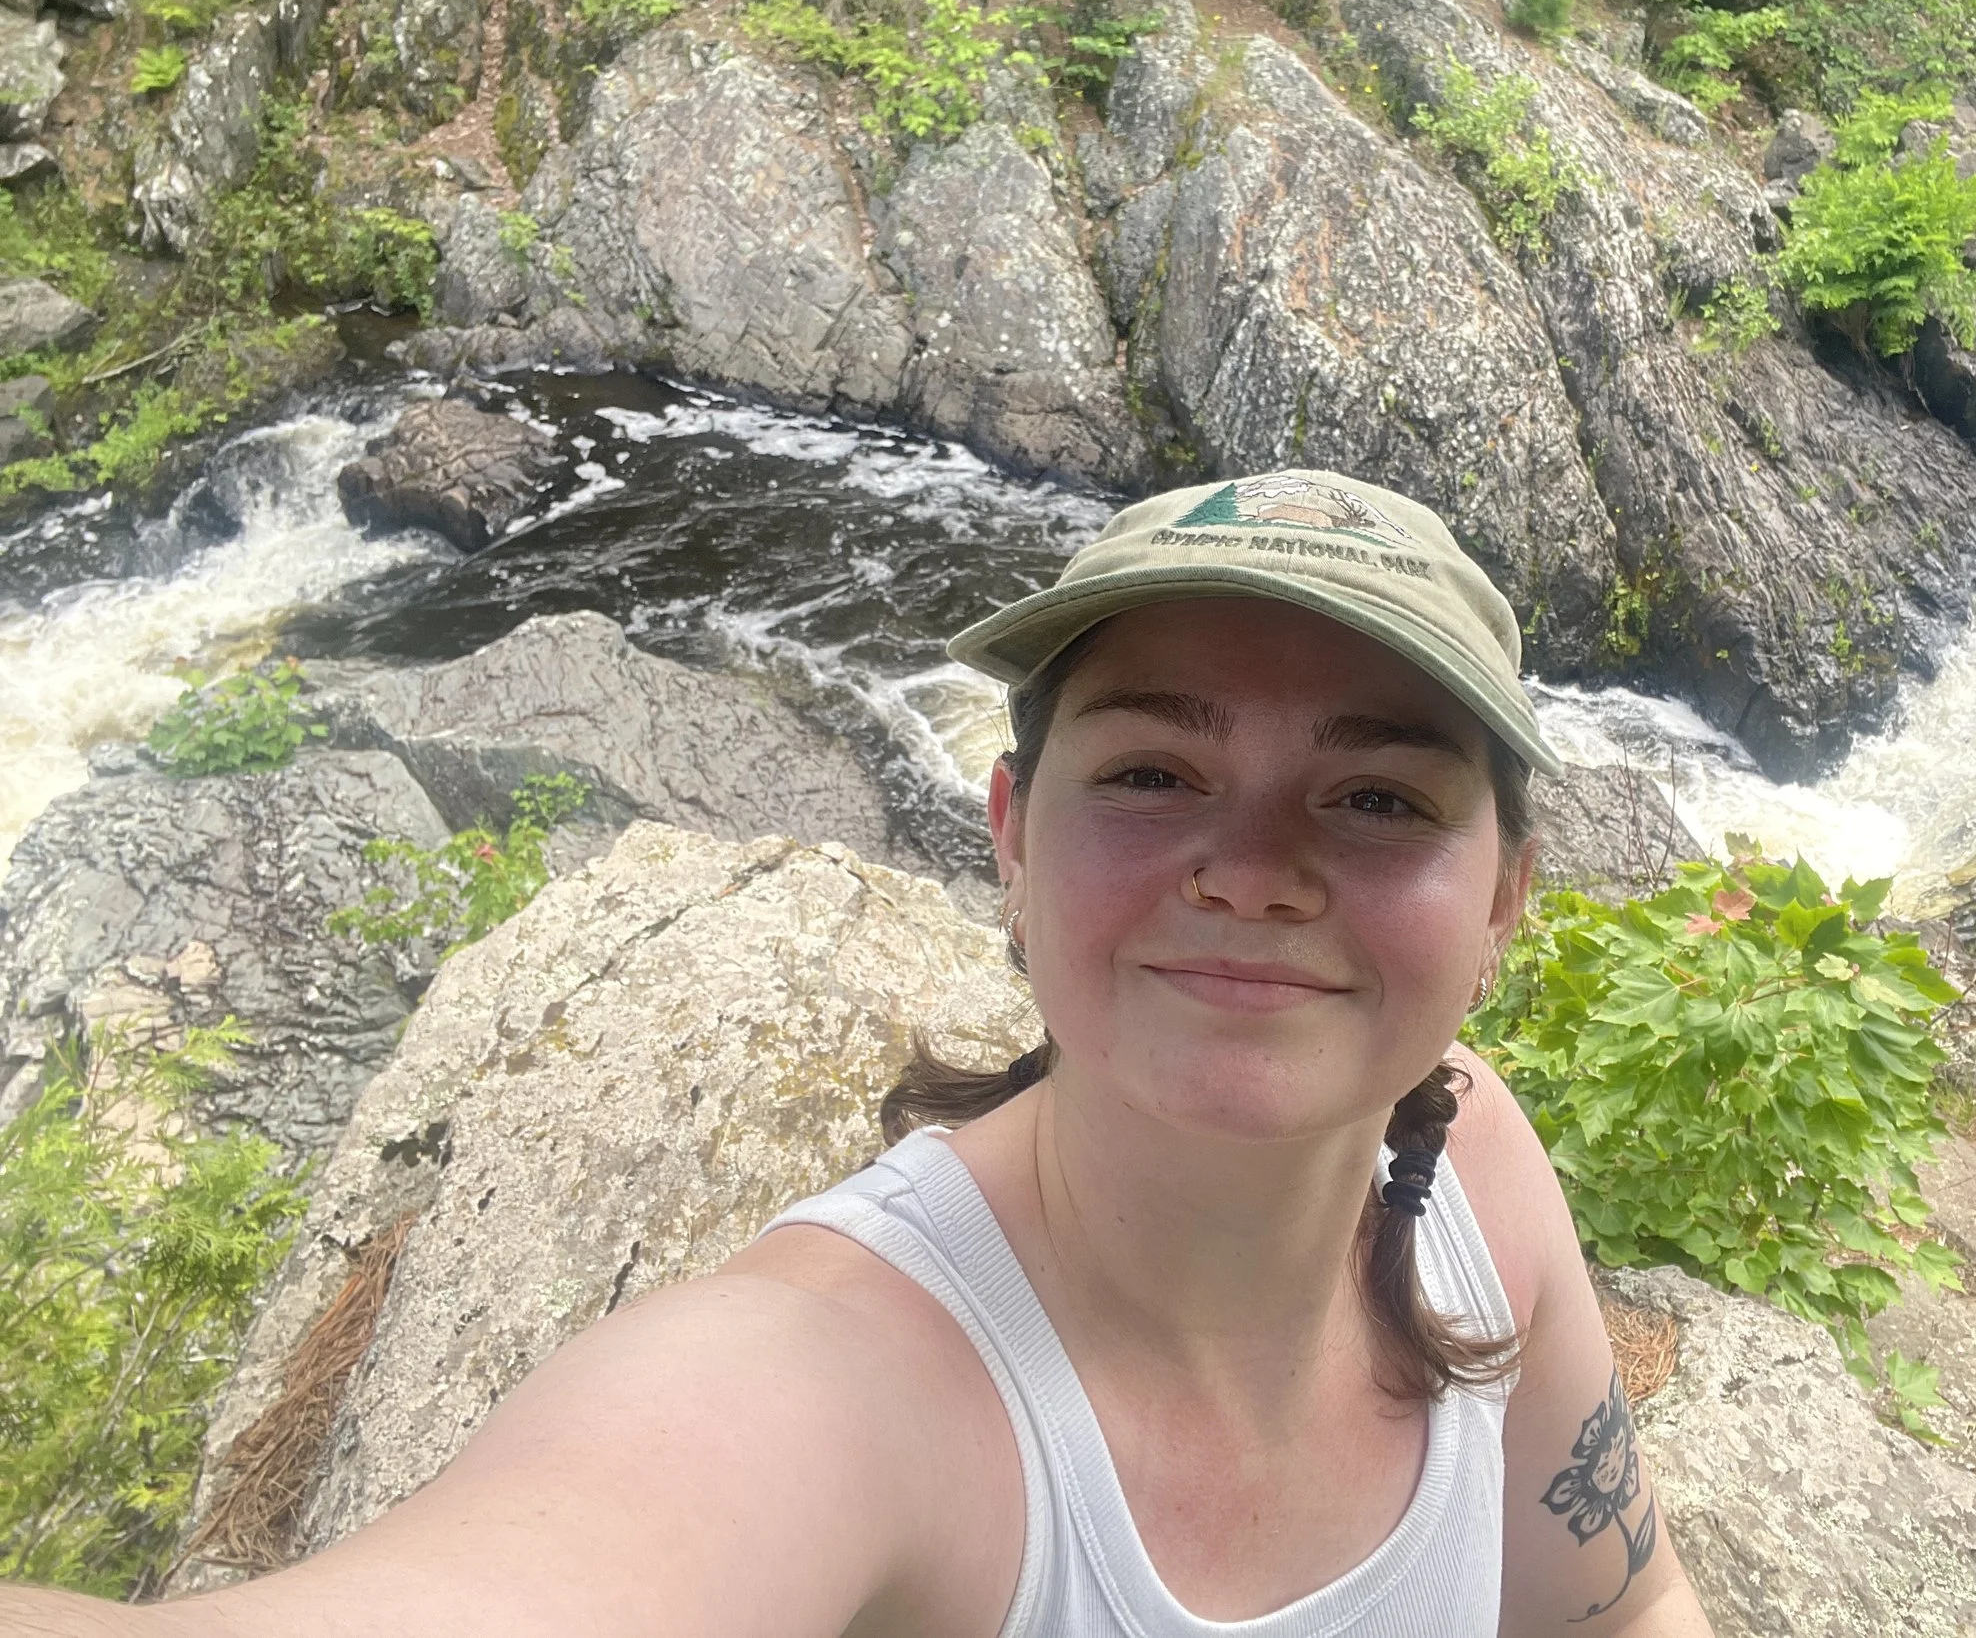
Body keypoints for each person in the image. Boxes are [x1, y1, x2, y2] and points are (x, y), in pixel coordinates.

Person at [1, 469, 1716, 1637]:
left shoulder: (1471, 1160)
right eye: (1150, 772)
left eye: (1377, 796)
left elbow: (1621, 1605)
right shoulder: (833, 1384)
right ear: (1010, 835)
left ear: (1502, 900)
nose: (1252, 866)